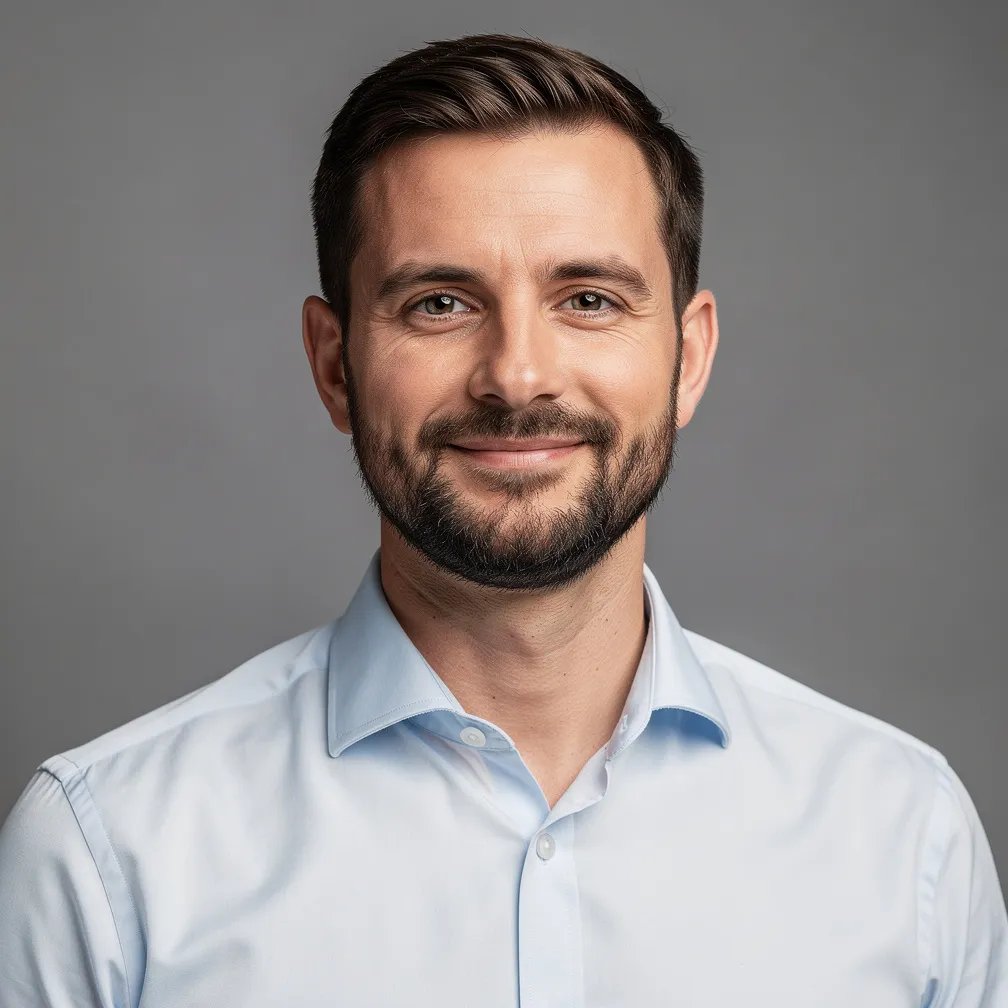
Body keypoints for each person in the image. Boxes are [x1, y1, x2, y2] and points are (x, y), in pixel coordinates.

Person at [1, 32, 1004, 1008]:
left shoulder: (904, 837)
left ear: (688, 358)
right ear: (333, 363)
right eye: (439, 303)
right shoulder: (107, 855)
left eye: (591, 300)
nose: (518, 375)